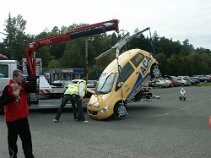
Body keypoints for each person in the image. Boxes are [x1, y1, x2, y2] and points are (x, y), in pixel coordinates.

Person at [0, 69, 34, 158]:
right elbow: (2, 102)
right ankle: (13, 155)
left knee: (27, 139)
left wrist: (31, 74)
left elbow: (33, 88)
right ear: (15, 77)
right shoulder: (9, 87)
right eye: (20, 76)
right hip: (12, 119)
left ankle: (29, 156)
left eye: (22, 76)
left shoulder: (23, 86)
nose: (22, 78)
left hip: (23, 118)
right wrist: (13, 96)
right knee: (12, 140)